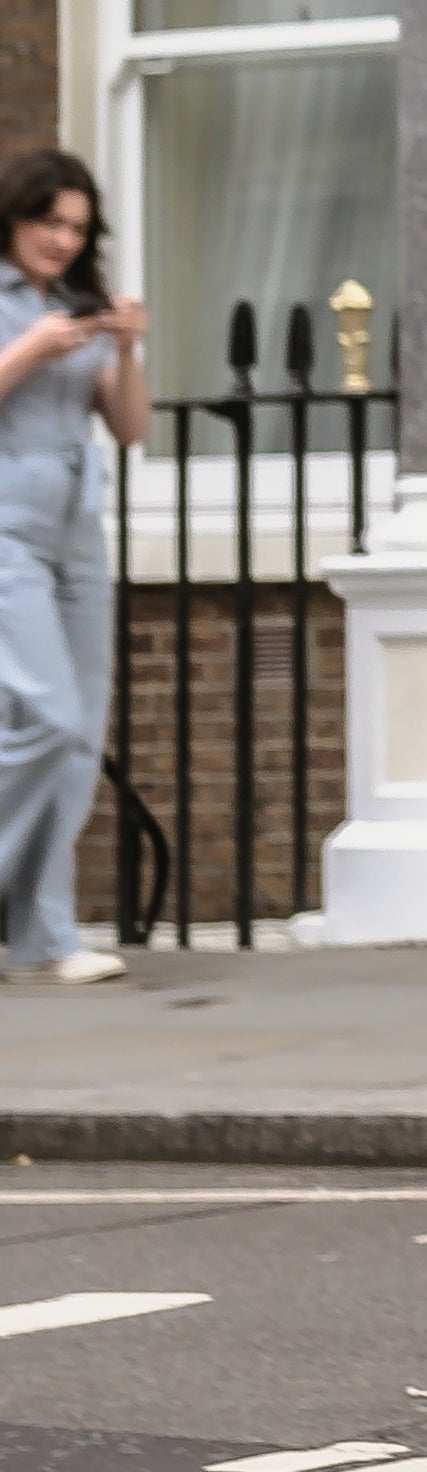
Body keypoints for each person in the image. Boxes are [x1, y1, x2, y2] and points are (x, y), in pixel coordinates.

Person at [0, 146, 148, 986]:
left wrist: (125, 351)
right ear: (14, 217)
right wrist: (30, 349)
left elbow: (129, 429)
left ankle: (47, 934)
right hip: (6, 526)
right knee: (46, 716)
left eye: (78, 229)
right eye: (49, 222)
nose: (62, 240)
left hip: (77, 531)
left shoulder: (74, 305)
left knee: (79, 736)